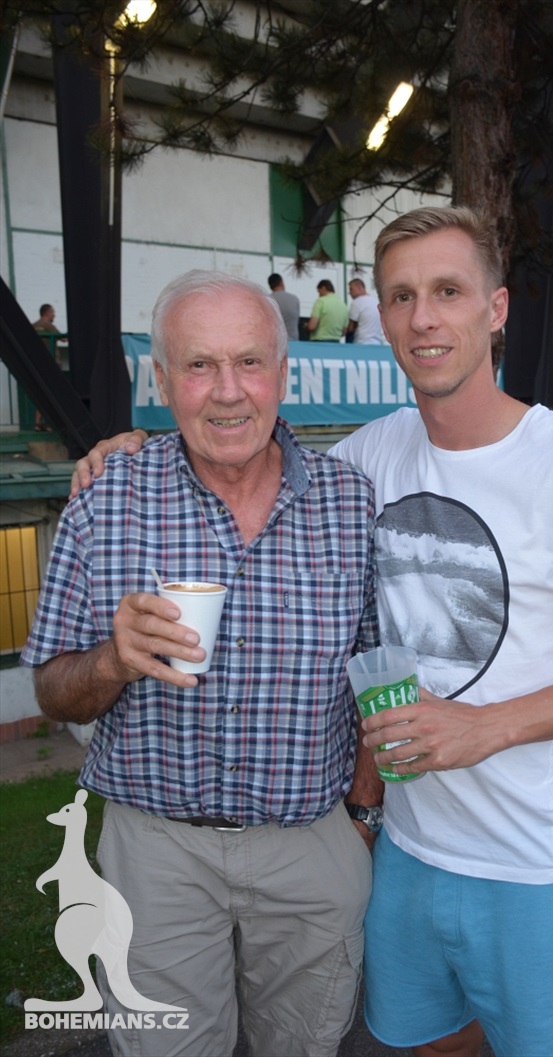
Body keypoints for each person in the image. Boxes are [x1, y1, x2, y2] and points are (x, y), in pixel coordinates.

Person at [71, 208, 553, 1057]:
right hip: (406, 854)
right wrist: (132, 447)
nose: (424, 317)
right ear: (382, 315)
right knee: (426, 1044)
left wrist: (483, 727)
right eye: (401, 296)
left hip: (531, 863)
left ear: (495, 308)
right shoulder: (367, 459)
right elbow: (251, 454)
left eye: (447, 291)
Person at [22, 271, 381, 1057]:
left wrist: (361, 816)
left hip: (310, 845)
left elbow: (374, 677)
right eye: (198, 365)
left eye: (250, 363)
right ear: (161, 379)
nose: (228, 393)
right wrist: (114, 660)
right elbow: (52, 687)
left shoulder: (350, 502)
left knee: (307, 1045)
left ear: (285, 375)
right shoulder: (104, 498)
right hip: (156, 855)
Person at [31, 303, 63, 431]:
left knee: (41, 393)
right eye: (53, 312)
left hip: (37, 364)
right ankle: (51, 423)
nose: (54, 315)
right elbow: (65, 339)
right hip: (52, 364)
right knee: (53, 394)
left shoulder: (33, 326)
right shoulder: (49, 326)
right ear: (47, 313)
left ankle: (38, 423)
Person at [346, 277, 384, 345]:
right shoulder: (375, 301)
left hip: (361, 343)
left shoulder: (357, 302)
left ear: (360, 288)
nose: (349, 293)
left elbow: (351, 328)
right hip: (377, 343)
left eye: (351, 289)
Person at [267, 272, 300, 341]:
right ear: (282, 282)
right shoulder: (294, 299)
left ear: (270, 286)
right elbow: (297, 320)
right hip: (293, 342)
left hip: (274, 342)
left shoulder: (267, 300)